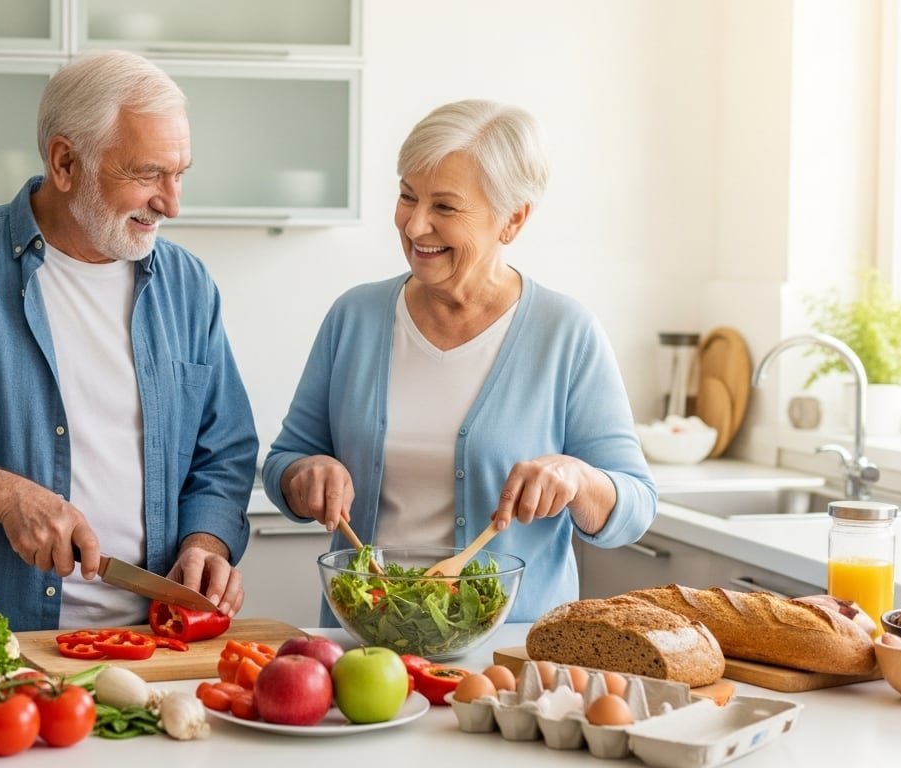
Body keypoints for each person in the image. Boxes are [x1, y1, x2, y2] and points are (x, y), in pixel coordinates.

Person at [0, 50, 258, 631]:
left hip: (149, 648)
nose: (172, 202)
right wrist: (2, 495)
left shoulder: (188, 285)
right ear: (65, 162)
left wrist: (206, 541)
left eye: (179, 173)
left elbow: (223, 452)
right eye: (146, 174)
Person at [262, 99, 656, 623]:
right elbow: (286, 460)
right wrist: (304, 473)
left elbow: (636, 506)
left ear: (512, 220)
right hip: (366, 644)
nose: (416, 225)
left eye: (445, 208)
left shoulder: (565, 332)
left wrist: (577, 479)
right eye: (407, 196)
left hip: (512, 656)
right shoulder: (354, 317)